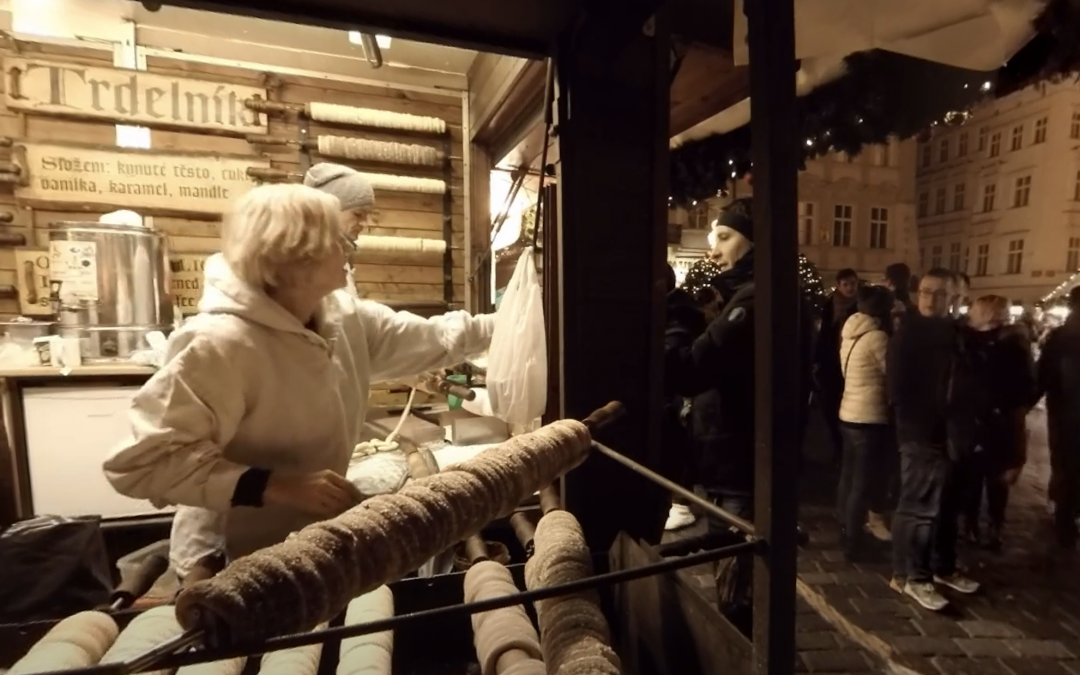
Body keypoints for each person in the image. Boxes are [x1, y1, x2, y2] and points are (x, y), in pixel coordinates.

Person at [103, 184, 496, 580]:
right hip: (230, 554)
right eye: (336, 240)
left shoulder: (341, 318)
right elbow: (142, 464)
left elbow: (434, 338)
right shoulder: (219, 343)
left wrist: (519, 321)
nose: (348, 249)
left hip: (307, 541)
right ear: (296, 256)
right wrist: (277, 485)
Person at [665, 198, 815, 632]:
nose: (714, 251)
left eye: (725, 237)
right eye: (714, 238)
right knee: (735, 572)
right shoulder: (761, 291)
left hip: (740, 457)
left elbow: (690, 369)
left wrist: (675, 312)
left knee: (737, 585)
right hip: (735, 453)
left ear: (755, 242)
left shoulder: (757, 298)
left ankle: (744, 655)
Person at [887, 268, 979, 611]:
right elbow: (897, 390)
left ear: (955, 298)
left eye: (939, 293)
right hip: (921, 433)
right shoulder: (910, 333)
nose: (929, 299)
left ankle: (940, 567)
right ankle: (912, 576)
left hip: (950, 434)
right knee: (918, 509)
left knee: (945, 508)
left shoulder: (956, 333)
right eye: (925, 291)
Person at [962, 294, 1034, 550]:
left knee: (984, 476)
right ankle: (988, 525)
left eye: (974, 310)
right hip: (995, 420)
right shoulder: (1012, 342)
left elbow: (1023, 387)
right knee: (987, 478)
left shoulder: (1005, 344)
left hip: (991, 420)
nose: (969, 313)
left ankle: (983, 525)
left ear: (985, 313)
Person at [836, 285, 895, 559]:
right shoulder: (877, 338)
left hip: (848, 412)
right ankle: (854, 541)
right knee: (862, 481)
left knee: (848, 477)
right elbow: (892, 374)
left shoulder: (850, 332)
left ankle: (844, 528)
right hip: (869, 416)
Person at [1035, 286, 1080, 549]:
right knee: (1068, 466)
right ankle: (1067, 515)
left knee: (1065, 465)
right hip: (1066, 412)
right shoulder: (1061, 338)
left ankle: (1065, 517)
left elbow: (1043, 377)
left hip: (1064, 413)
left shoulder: (1060, 337)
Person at [663, 263, 704, 532]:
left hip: (679, 397)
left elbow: (676, 360)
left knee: (677, 448)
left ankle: (681, 503)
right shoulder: (677, 310)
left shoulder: (676, 316)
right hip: (677, 396)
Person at [302, 162, 376, 297]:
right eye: (358, 214)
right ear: (328, 209)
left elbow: (351, 309)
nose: (365, 223)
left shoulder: (336, 254)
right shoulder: (306, 262)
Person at [816, 268, 861, 460]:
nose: (850, 288)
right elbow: (825, 334)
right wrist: (818, 359)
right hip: (831, 364)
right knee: (830, 407)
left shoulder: (861, 306)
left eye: (853, 284)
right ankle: (838, 446)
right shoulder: (830, 305)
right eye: (846, 284)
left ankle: (846, 450)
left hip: (851, 364)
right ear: (839, 285)